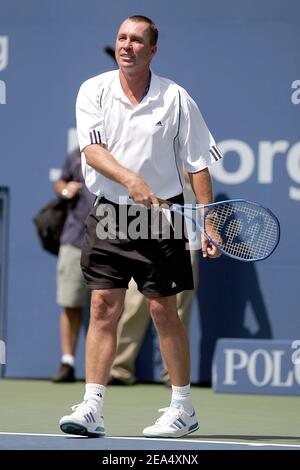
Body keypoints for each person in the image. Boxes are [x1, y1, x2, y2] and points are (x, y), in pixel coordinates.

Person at [59, 15, 222, 438]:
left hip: (164, 218)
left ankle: (182, 408)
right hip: (111, 212)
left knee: (162, 311)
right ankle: (92, 406)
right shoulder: (92, 90)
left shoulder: (177, 98)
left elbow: (198, 161)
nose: (126, 46)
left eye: (136, 40)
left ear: (152, 50)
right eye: (121, 38)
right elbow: (93, 152)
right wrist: (132, 181)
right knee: (103, 305)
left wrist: (207, 220)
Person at [109, 176, 199, 387]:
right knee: (133, 305)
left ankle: (173, 375)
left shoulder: (190, 152)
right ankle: (121, 369)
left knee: (177, 310)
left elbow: (195, 177)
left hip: (185, 240)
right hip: (143, 235)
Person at [52, 148, 94, 382]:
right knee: (70, 303)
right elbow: (61, 181)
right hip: (75, 240)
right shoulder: (76, 155)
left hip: (114, 240)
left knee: (111, 307)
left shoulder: (123, 148)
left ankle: (105, 367)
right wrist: (66, 189)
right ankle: (67, 361)